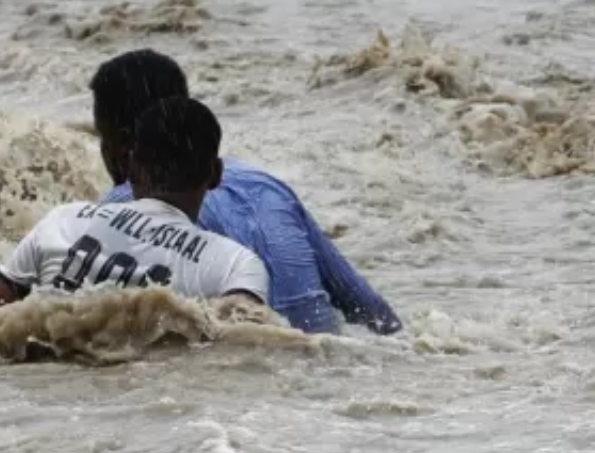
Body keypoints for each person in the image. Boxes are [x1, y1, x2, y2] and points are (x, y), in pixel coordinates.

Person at [0, 96, 269, 346]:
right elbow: (246, 351)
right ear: (214, 175)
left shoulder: (66, 221)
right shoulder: (235, 265)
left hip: (28, 382)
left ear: (131, 167)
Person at [91, 50, 404, 336]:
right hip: (327, 376)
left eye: (101, 138)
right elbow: (375, 314)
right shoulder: (267, 188)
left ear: (121, 147)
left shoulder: (123, 210)